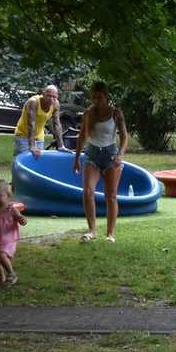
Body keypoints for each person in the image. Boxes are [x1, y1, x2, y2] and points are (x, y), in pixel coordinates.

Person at [73, 81, 129, 242]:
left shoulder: (116, 113)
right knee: (88, 191)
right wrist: (76, 158)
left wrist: (119, 154)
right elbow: (82, 137)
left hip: (111, 154)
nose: (96, 102)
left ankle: (110, 234)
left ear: (106, 96)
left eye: (99, 98)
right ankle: (92, 230)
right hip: (92, 154)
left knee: (110, 196)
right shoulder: (88, 113)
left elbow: (124, 137)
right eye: (93, 98)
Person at [13, 85, 65, 158]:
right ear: (43, 94)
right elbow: (31, 124)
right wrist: (31, 146)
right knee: (23, 160)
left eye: (54, 97)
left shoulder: (55, 104)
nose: (51, 99)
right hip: (23, 136)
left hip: (39, 137)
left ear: (57, 97)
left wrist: (61, 146)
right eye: (49, 96)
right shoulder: (33, 102)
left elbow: (57, 124)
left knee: (37, 161)